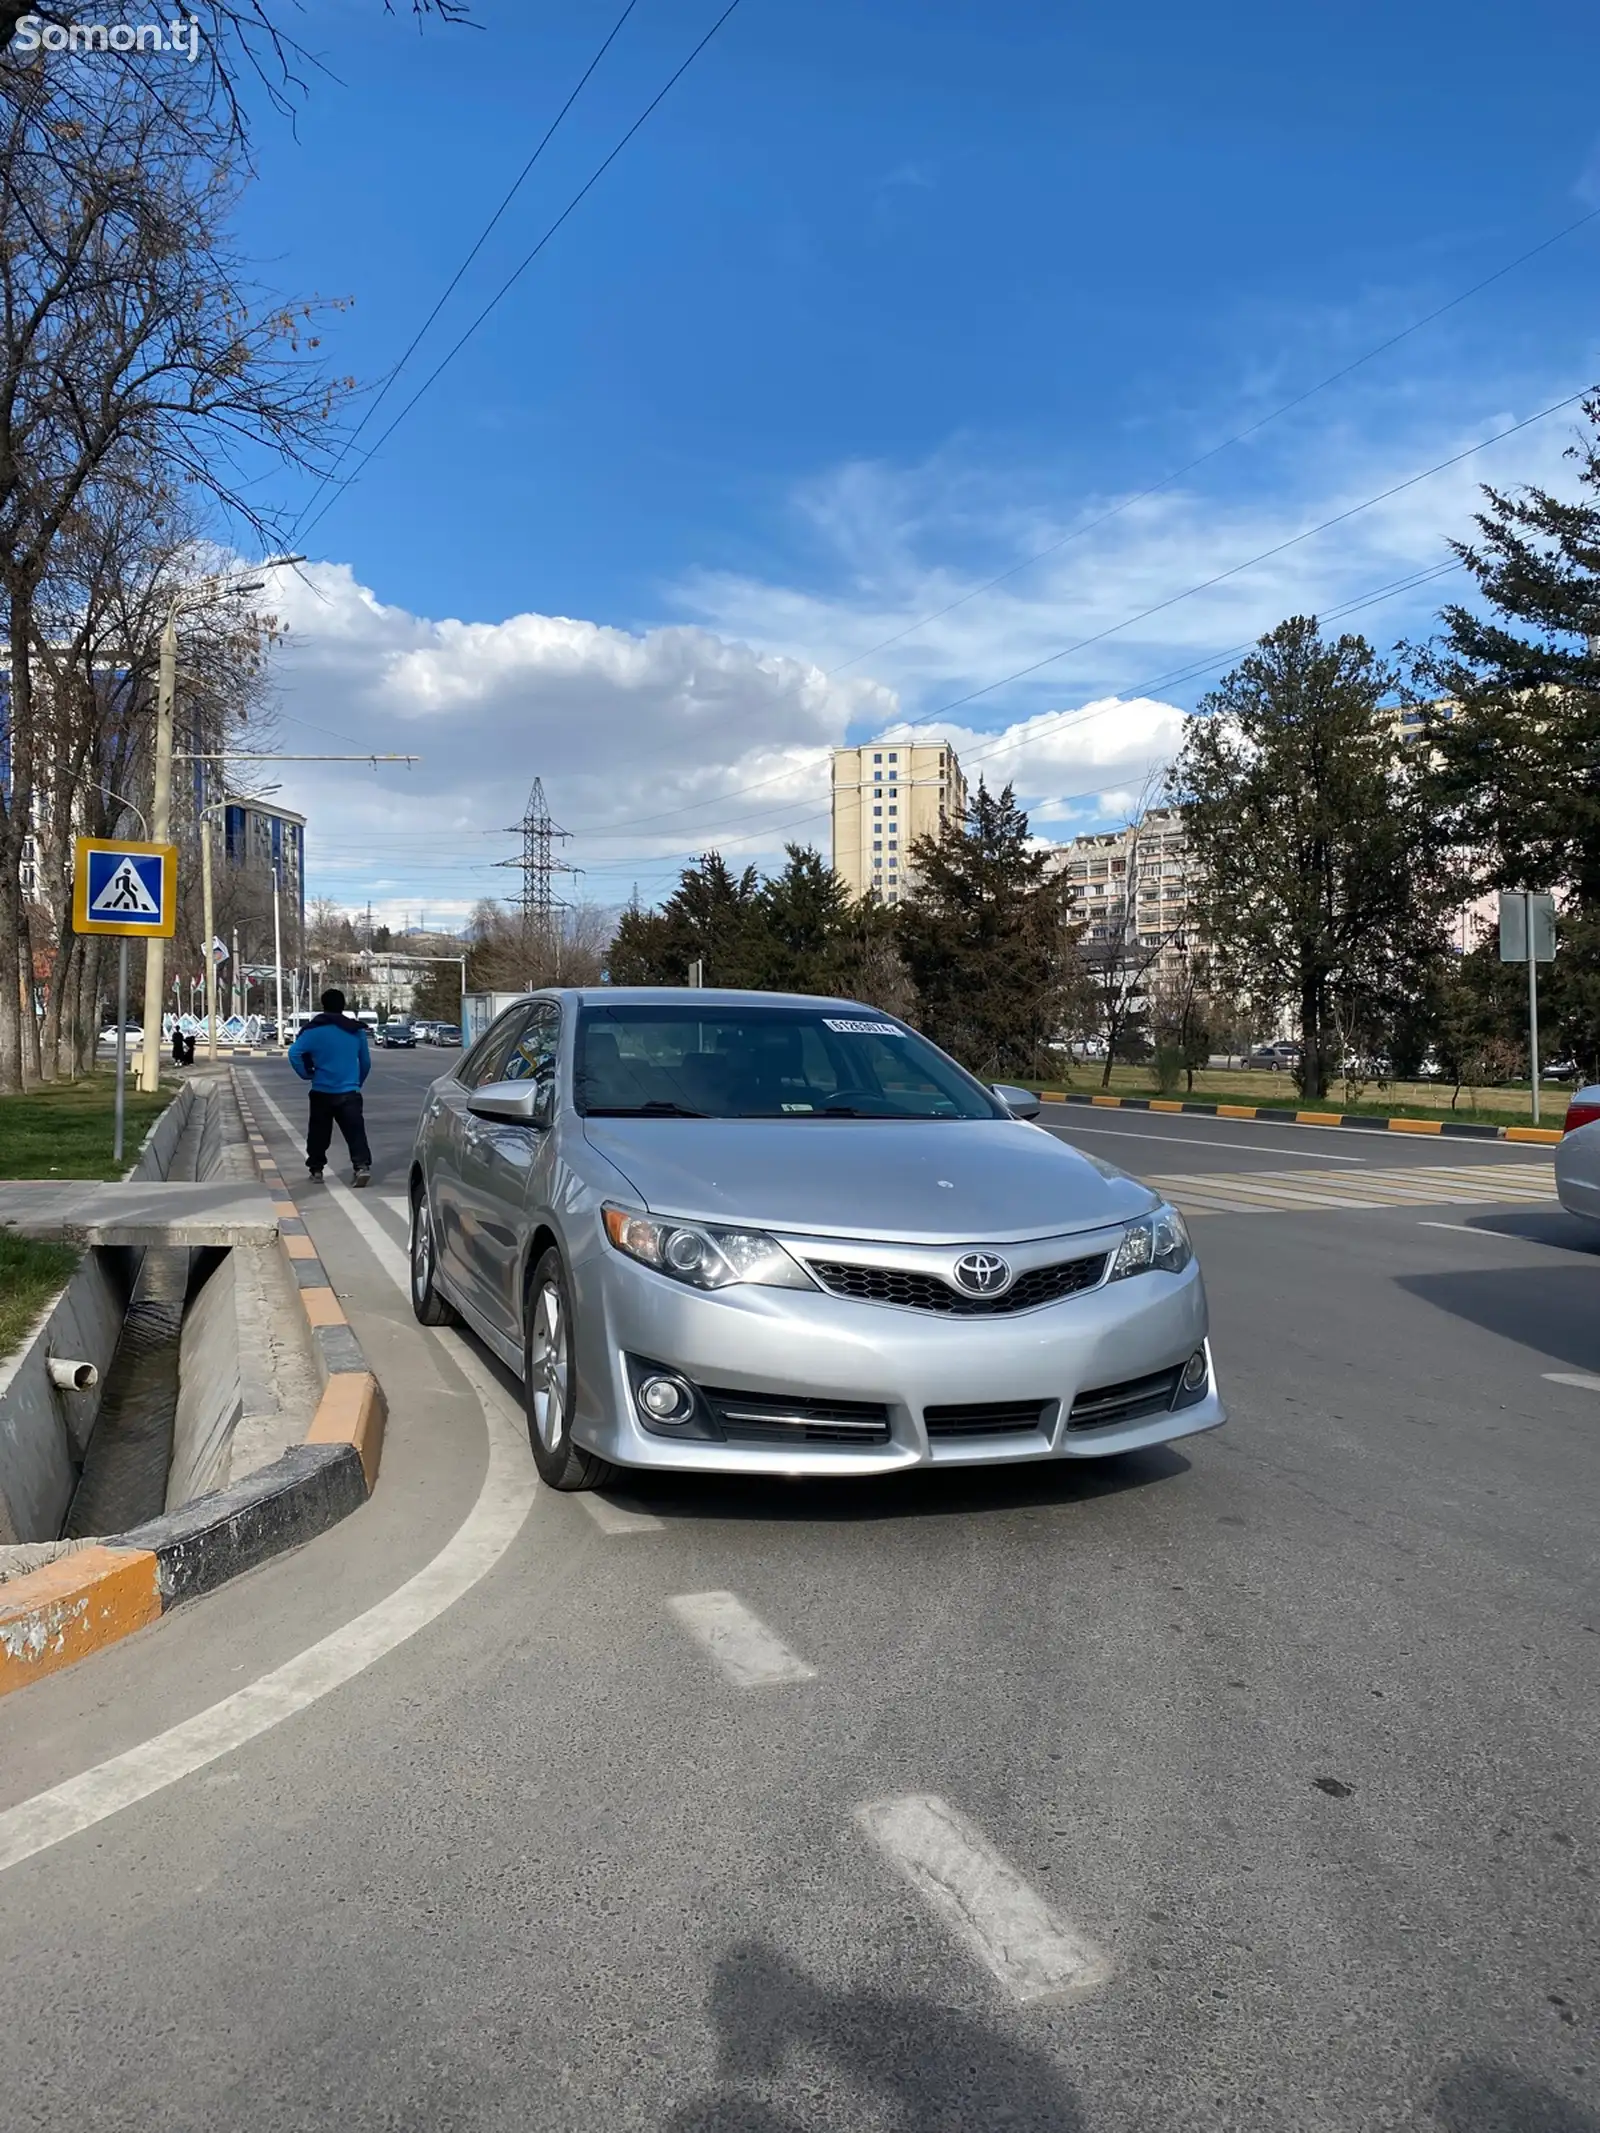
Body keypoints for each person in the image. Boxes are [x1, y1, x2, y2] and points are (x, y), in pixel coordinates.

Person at [287, 987, 373, 1185]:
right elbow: (366, 1063)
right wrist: (357, 1082)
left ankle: (316, 1170)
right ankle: (361, 1167)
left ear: (323, 1005)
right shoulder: (355, 1031)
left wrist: (305, 1074)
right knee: (355, 1132)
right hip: (350, 1091)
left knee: (318, 1133)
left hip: (322, 1091)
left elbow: (294, 1053)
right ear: (343, 1006)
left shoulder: (313, 1031)